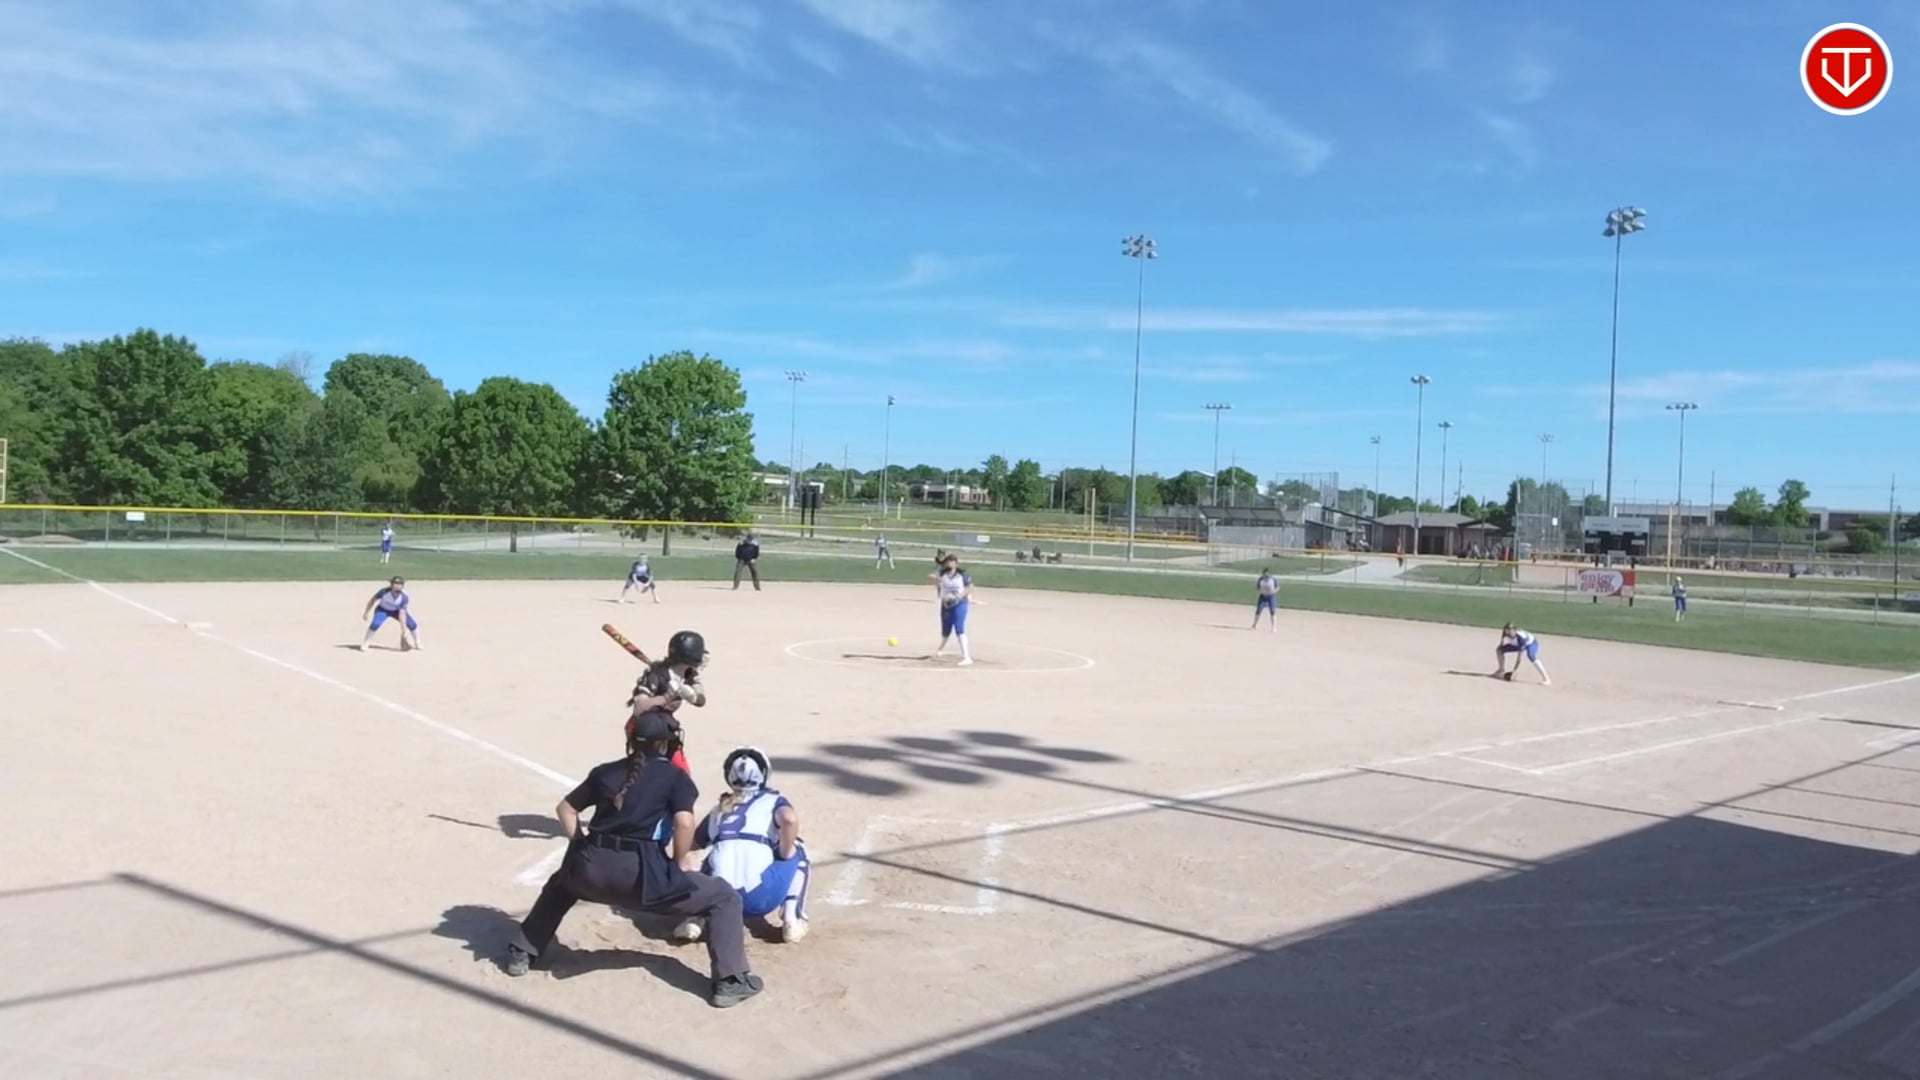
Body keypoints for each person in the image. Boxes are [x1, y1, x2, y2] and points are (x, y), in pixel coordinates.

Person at [503, 710, 765, 1008]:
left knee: (561, 884)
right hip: (644, 878)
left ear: (630, 740)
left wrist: (580, 845)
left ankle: (522, 951)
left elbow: (565, 809)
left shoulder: (605, 772)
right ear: (665, 743)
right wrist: (679, 861)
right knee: (723, 897)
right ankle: (730, 980)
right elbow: (684, 823)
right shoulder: (675, 777)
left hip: (591, 871)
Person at [673, 747, 811, 946]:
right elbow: (789, 819)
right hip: (760, 898)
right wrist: (785, 852)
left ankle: (696, 917)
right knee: (798, 849)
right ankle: (792, 919)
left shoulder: (719, 808)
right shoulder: (773, 801)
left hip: (719, 898)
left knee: (711, 858)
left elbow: (692, 843)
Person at [626, 630, 709, 773]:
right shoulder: (656, 676)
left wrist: (691, 695)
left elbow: (701, 701)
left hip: (665, 727)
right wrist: (667, 696)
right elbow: (639, 707)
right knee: (647, 770)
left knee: (681, 772)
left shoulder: (687, 674)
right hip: (645, 727)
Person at [357, 575, 421, 652]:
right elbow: (373, 600)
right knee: (375, 624)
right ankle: (365, 643)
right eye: (396, 583)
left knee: (412, 624)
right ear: (391, 585)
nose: (398, 586)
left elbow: (402, 613)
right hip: (383, 610)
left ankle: (417, 642)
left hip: (396, 611)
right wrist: (366, 612)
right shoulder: (384, 592)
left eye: (400, 584)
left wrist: (404, 630)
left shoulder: (404, 597)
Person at [932, 553, 974, 666]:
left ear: (956, 564)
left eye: (952, 562)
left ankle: (967, 657)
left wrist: (959, 597)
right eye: (948, 562)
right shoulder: (942, 573)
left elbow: (969, 587)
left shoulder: (962, 575)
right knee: (946, 630)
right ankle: (940, 649)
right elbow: (934, 580)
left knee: (959, 628)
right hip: (946, 604)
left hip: (959, 604)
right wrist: (937, 583)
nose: (950, 564)